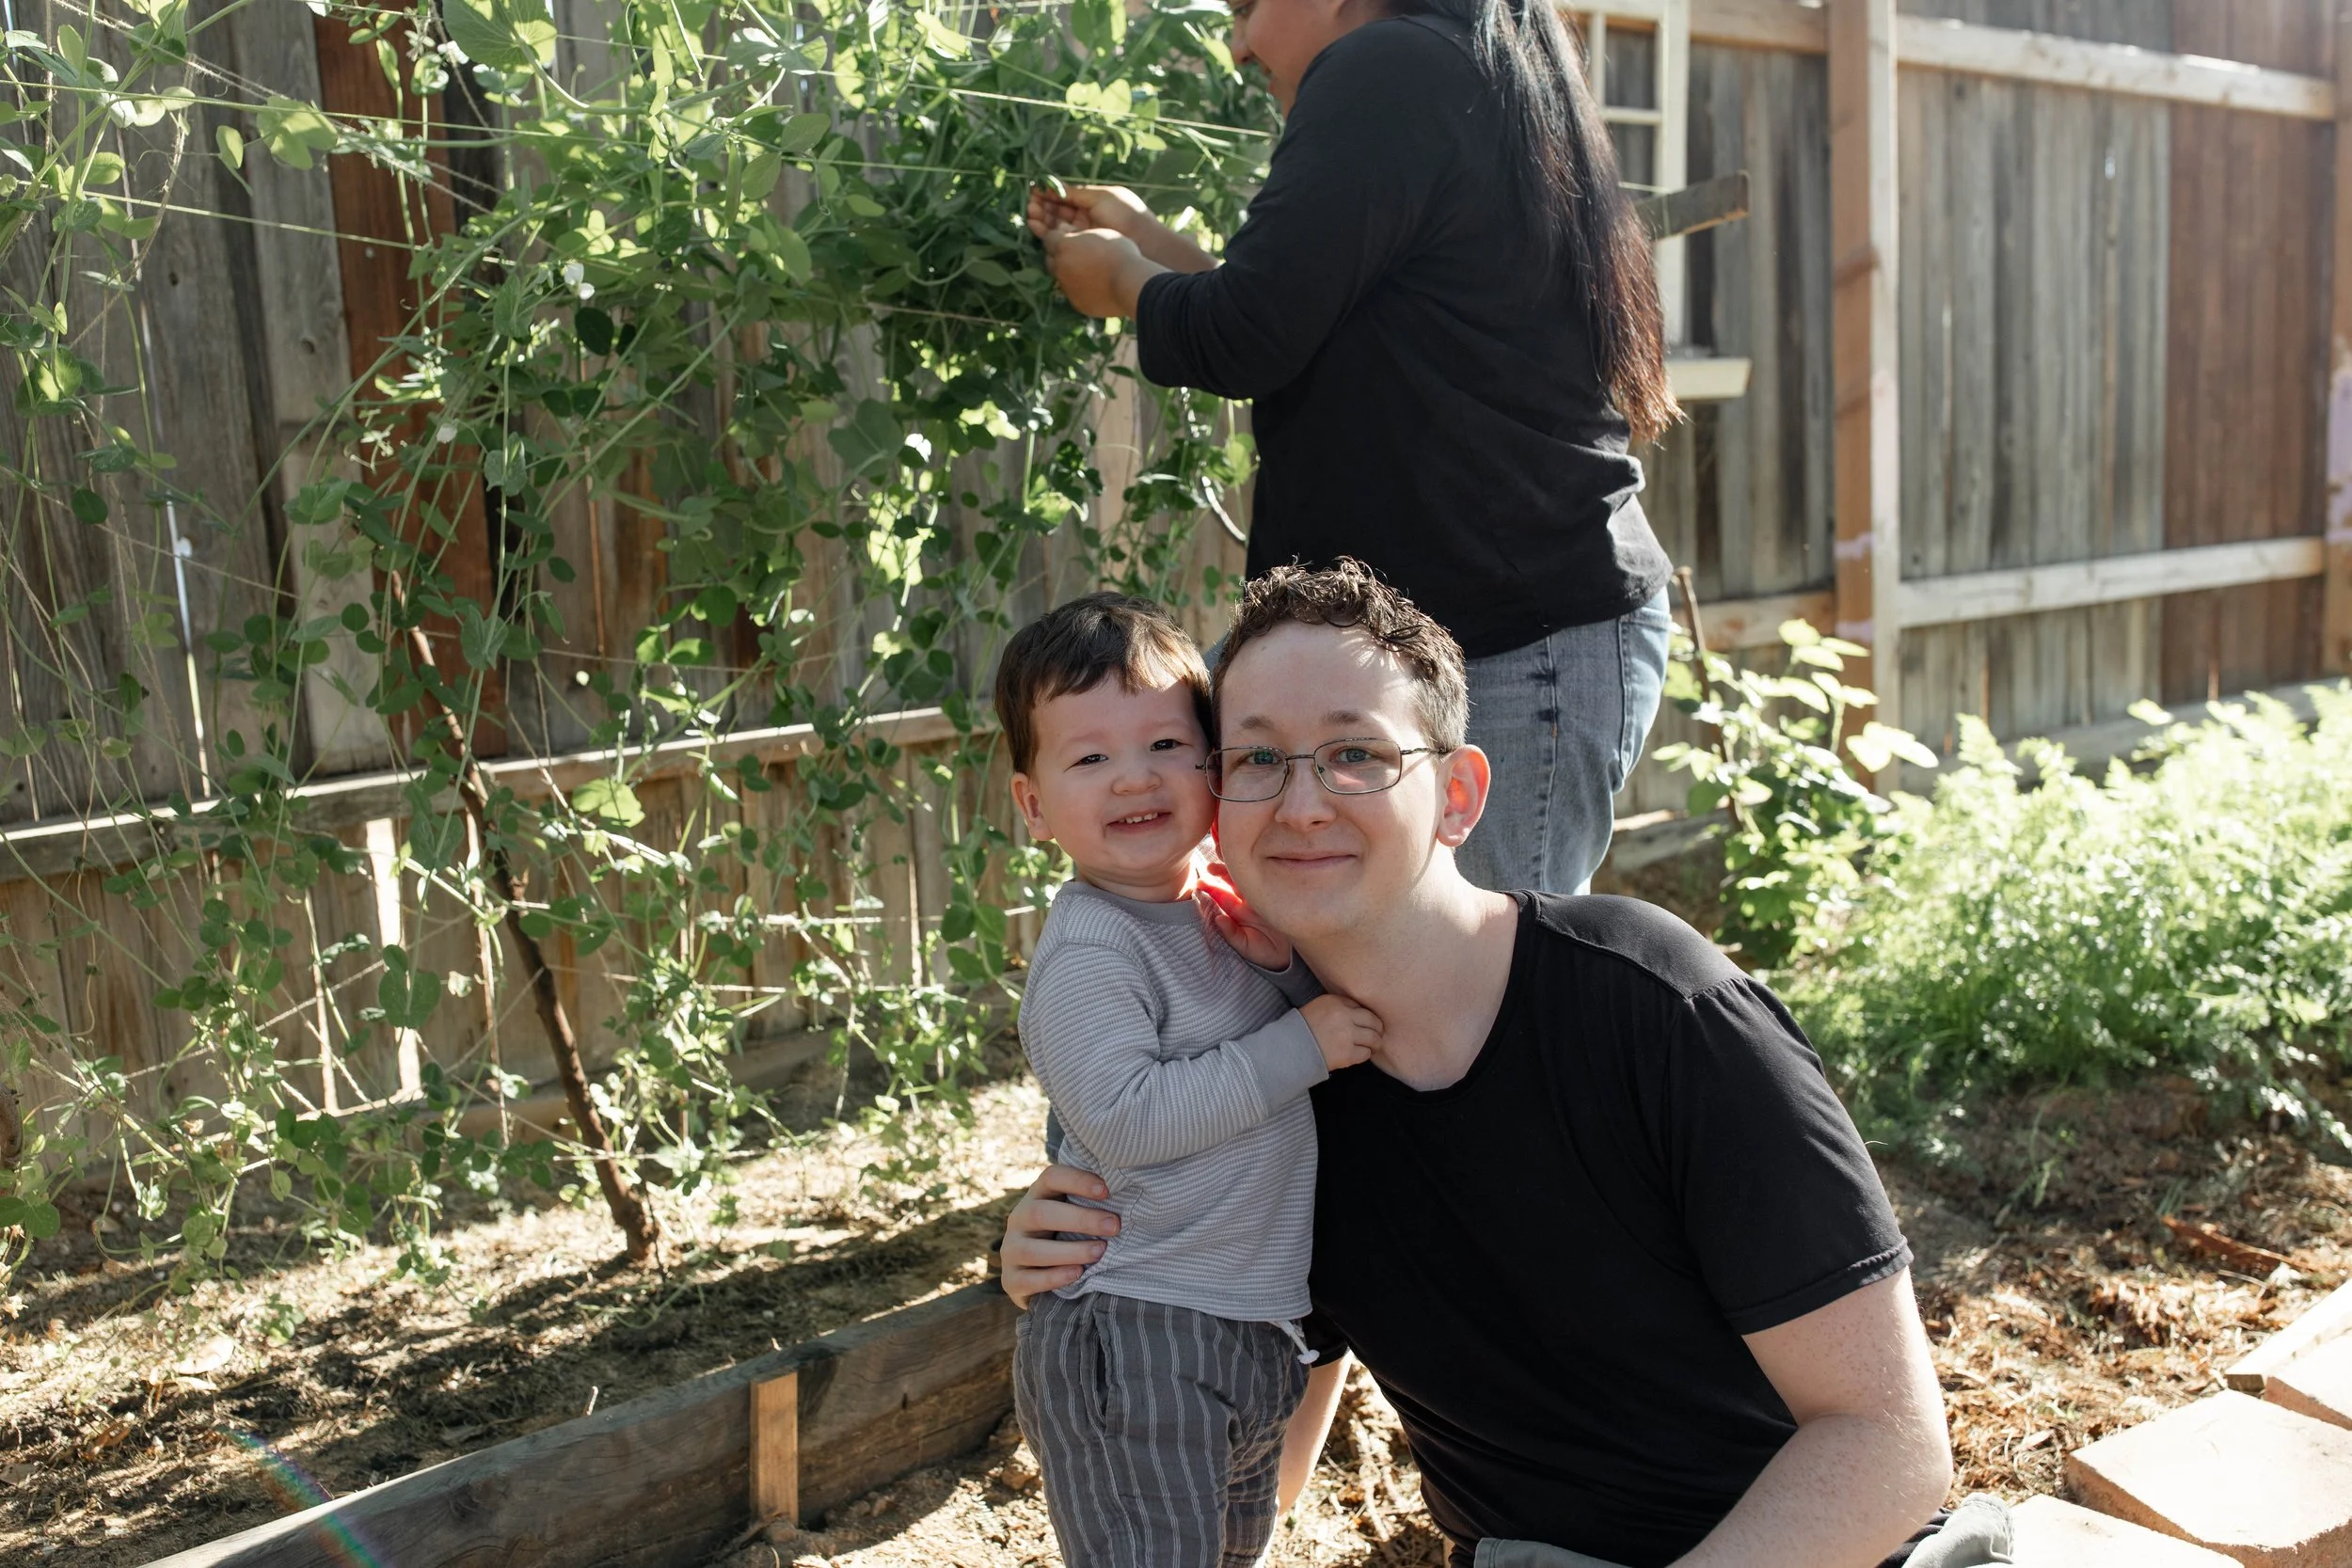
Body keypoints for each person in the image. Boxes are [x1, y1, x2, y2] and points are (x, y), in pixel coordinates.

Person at [999, 563, 2002, 1568]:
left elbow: (1891, 1445)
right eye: (1256, 756)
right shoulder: (1277, 1079)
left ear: (1459, 793)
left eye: (1354, 753)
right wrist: (1082, 1256)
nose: (1300, 801)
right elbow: (1265, 1446)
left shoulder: (1653, 1008)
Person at [1024, 0, 1679, 895]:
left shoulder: (1389, 64)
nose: (1237, 41)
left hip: (1508, 645)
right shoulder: (1450, 62)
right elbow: (1297, 318)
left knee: (1490, 1010)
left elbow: (1245, 334)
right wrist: (1141, 241)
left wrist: (1121, 283)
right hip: (1474, 629)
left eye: (1248, 6)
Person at [990, 591, 1386, 1568]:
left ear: (1213, 765)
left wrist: (1280, 969)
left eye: (1167, 744)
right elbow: (1126, 1117)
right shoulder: (1090, 946)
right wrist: (1301, 1036)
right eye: (1089, 757)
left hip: (1240, 1331)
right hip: (1138, 1331)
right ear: (1033, 804)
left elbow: (1242, 1060)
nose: (1136, 776)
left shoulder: (1204, 915)